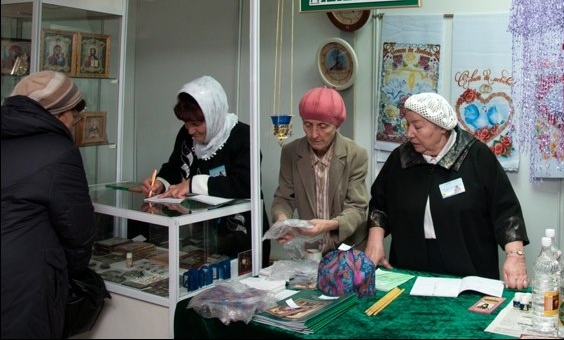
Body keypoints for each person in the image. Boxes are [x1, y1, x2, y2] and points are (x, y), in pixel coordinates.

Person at [364, 92, 529, 290]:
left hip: (468, 272)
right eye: (407, 125)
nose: (409, 134)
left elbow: (506, 212)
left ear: (442, 127)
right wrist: (375, 241)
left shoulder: (476, 156)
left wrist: (515, 257)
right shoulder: (401, 159)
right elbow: (379, 205)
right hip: (410, 269)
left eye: (417, 126)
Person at [1, 71, 95, 338]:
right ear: (59, 113)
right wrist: (69, 274)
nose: (73, 125)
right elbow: (77, 232)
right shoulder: (59, 150)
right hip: (25, 282)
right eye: (74, 117)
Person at [140, 75, 270, 260]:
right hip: (203, 238)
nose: (190, 130)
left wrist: (193, 184)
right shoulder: (187, 135)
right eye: (186, 124)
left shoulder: (243, 136)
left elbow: (245, 184)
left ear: (214, 115)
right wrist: (160, 182)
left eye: (196, 124)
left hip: (242, 238)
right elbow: (175, 166)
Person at [270, 86, 369, 253]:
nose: (314, 134)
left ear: (336, 125)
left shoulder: (355, 155)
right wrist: (282, 221)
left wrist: (328, 225)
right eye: (308, 125)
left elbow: (357, 208)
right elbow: (283, 199)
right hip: (312, 249)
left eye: (323, 126)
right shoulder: (291, 153)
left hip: (349, 248)